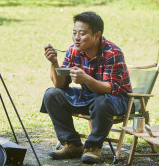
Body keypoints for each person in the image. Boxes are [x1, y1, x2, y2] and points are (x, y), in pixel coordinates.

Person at [40, 11, 133, 164]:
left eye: (82, 34)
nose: (77, 37)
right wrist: (54, 62)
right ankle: (72, 144)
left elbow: (110, 89)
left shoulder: (113, 53)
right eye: (74, 33)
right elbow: (60, 84)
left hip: (116, 100)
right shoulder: (73, 50)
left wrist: (86, 79)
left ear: (97, 35)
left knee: (102, 101)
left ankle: (93, 147)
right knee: (52, 94)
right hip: (88, 96)